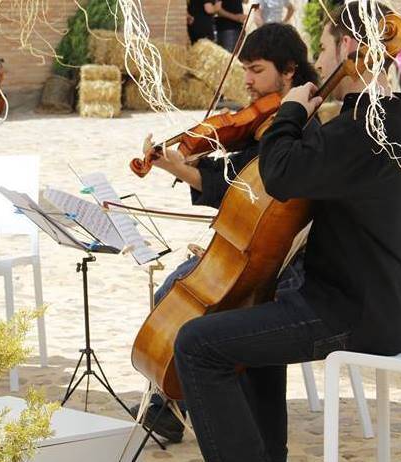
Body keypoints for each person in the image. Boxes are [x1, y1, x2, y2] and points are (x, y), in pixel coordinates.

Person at [173, 2, 401, 461]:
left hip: (353, 314)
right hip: (400, 306)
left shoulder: (358, 130)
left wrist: (290, 113)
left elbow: (280, 172)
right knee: (255, 309)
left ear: (348, 47)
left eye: (322, 49)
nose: (319, 64)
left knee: (197, 344)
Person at [130, 23, 320, 444]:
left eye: (255, 70)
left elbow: (251, 186)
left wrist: (188, 171)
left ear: (289, 71)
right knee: (176, 289)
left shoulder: (299, 123)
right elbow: (239, 178)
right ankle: (174, 404)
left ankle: (196, 410)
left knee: (189, 304)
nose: (247, 81)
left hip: (285, 265)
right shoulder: (271, 119)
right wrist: (183, 168)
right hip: (255, 248)